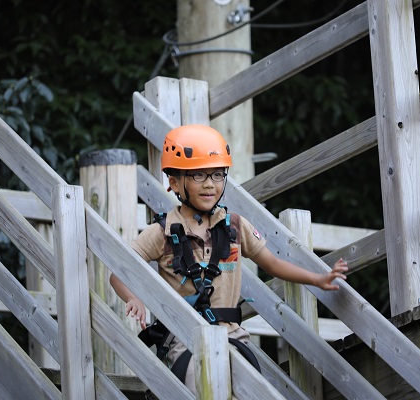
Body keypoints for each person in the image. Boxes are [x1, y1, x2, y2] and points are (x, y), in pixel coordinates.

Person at [110, 124, 348, 394]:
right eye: (198, 175)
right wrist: (133, 297)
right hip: (184, 339)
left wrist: (318, 278)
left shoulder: (234, 226)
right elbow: (119, 271)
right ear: (175, 182)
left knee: (249, 385)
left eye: (217, 174)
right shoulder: (161, 233)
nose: (210, 183)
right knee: (199, 382)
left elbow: (272, 264)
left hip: (234, 337)